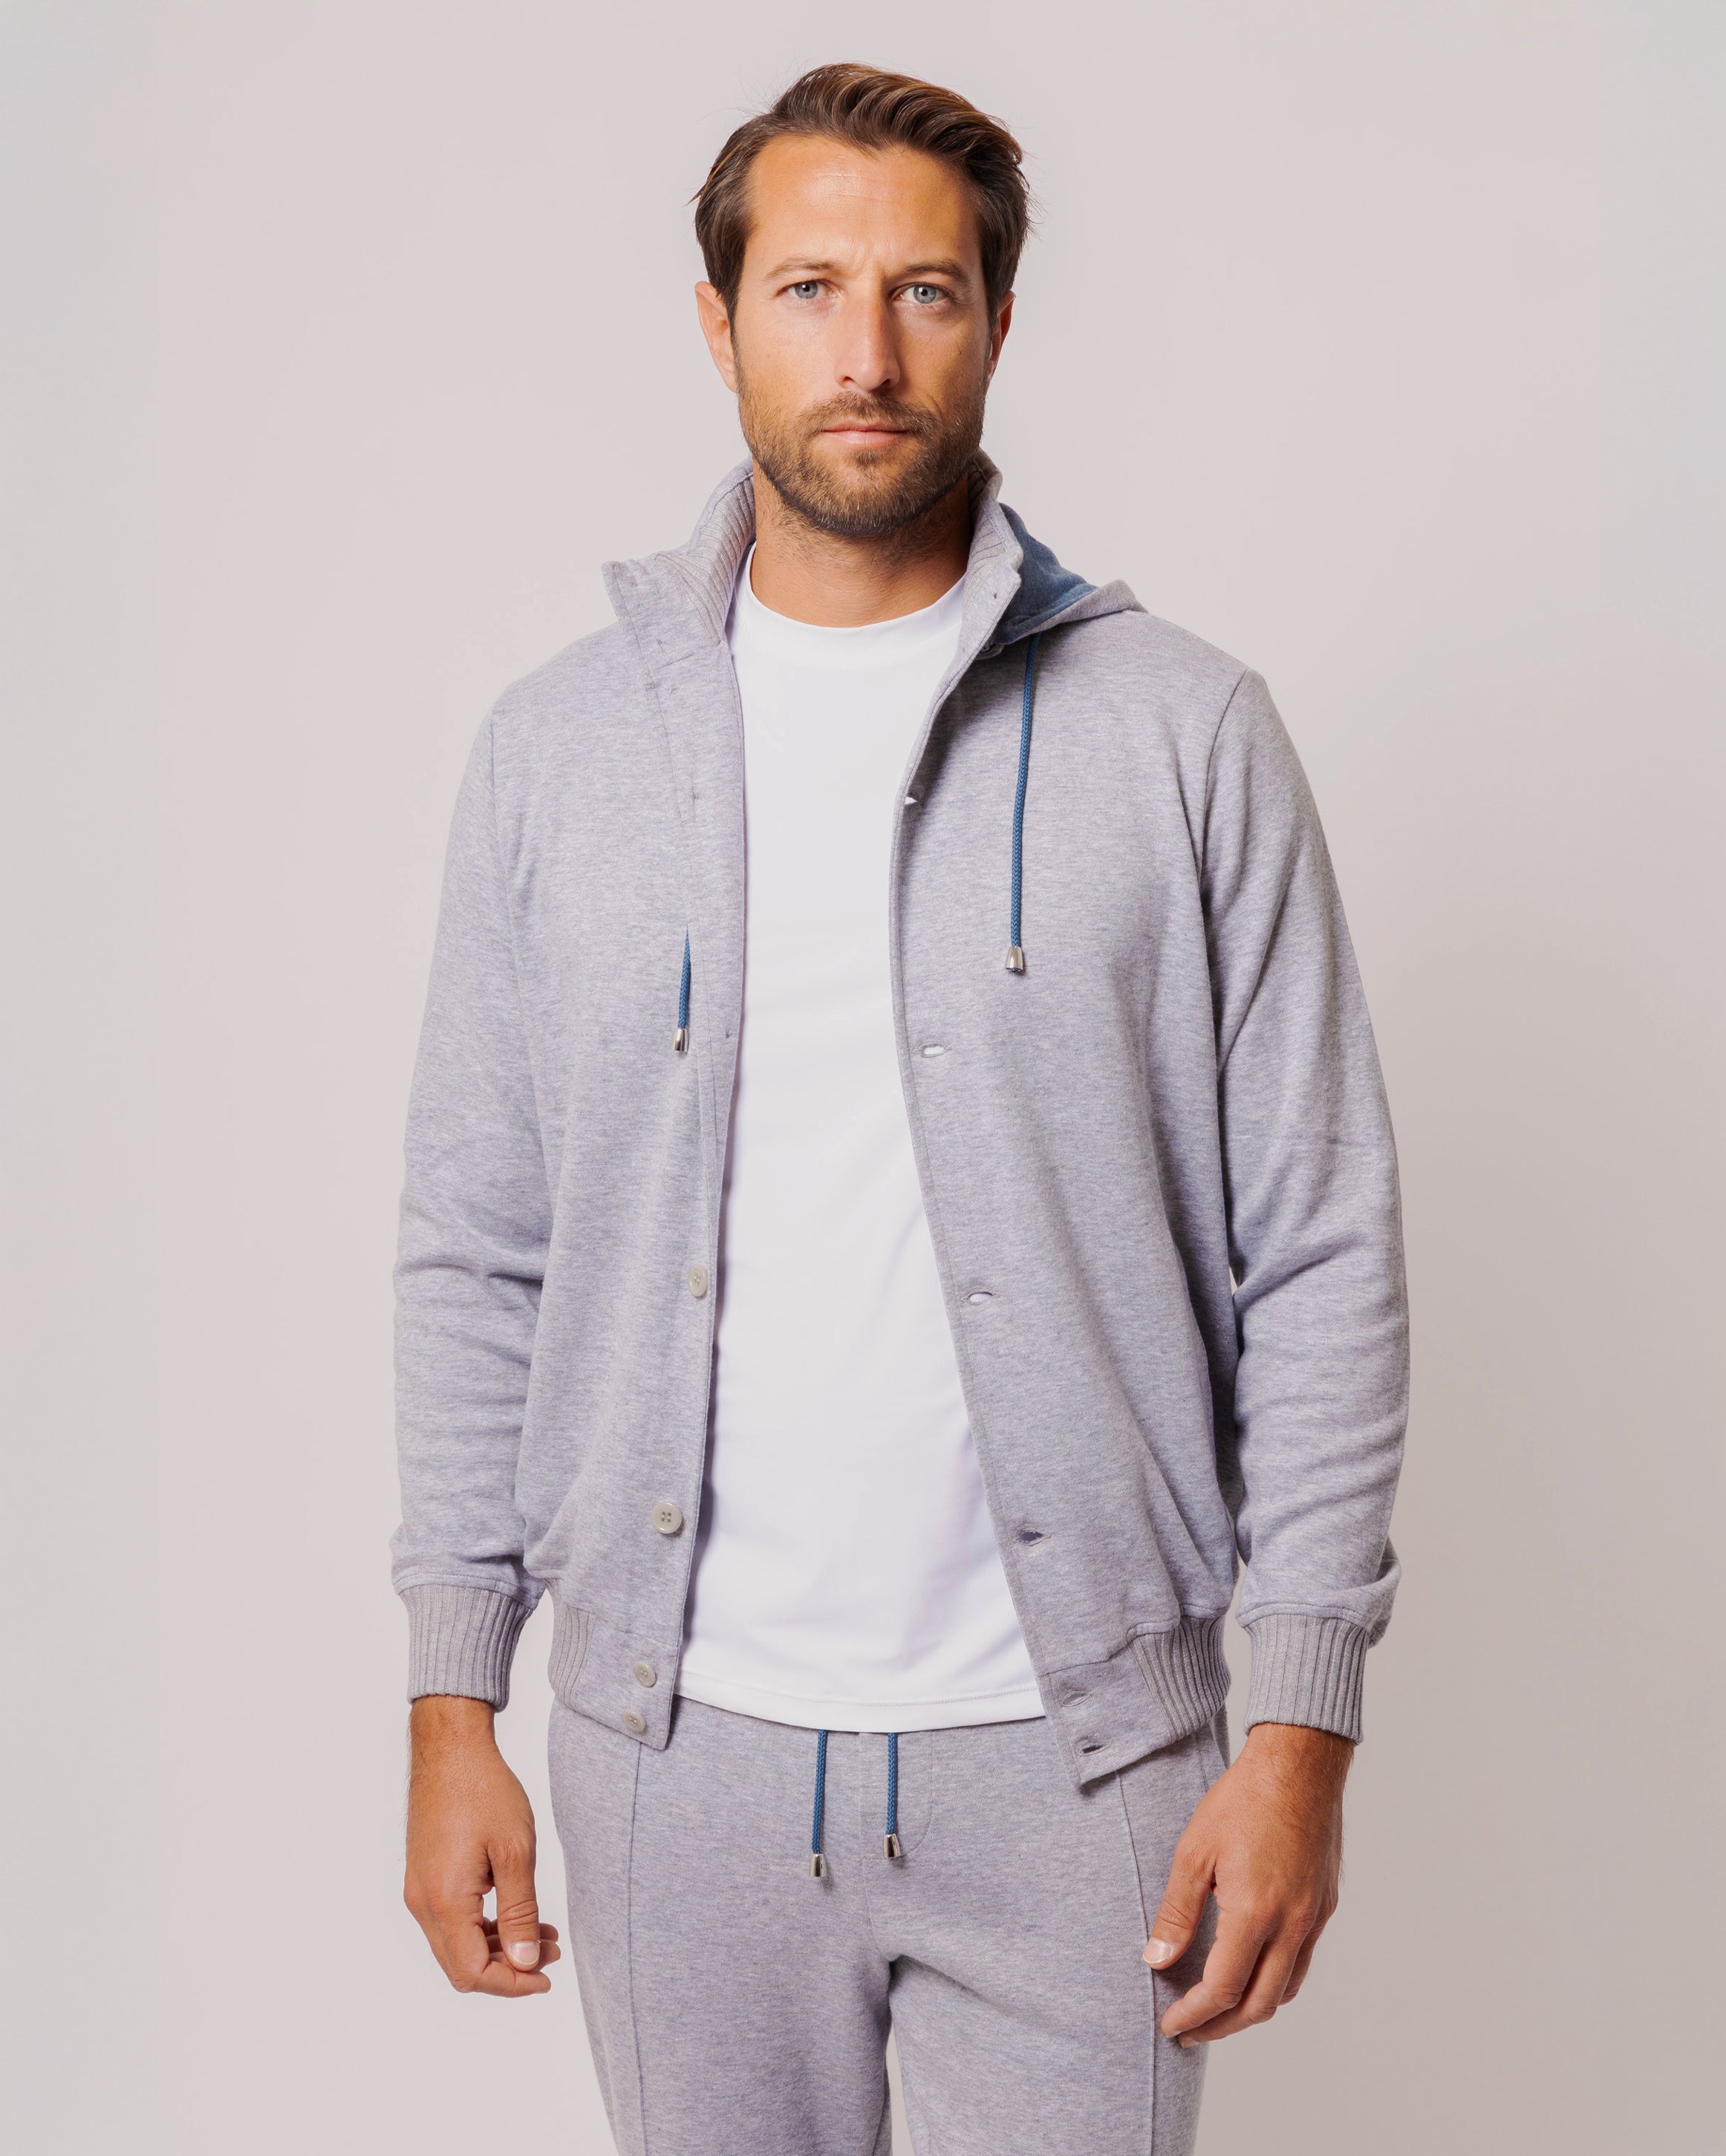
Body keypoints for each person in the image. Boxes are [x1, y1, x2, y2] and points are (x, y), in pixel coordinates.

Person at [392, 62, 1408, 2156]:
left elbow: (1320, 1247)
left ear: (998, 322)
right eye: (807, 288)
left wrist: (1299, 1725)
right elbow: (478, 1246)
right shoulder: (557, 755)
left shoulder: (1185, 735)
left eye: (924, 292)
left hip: (1085, 1761)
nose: (864, 352)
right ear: (718, 323)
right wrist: (451, 1693)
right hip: (671, 1754)